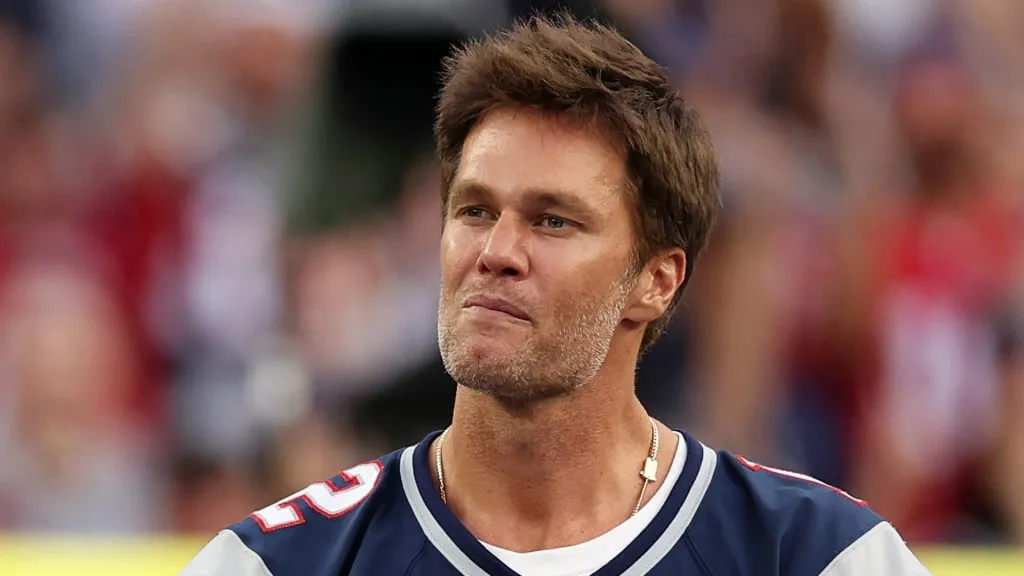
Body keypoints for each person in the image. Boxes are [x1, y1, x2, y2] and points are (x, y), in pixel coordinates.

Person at [179, 14, 931, 576]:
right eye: (474, 210)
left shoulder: (816, 556)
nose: (496, 252)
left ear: (657, 280)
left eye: (552, 221)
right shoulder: (278, 564)